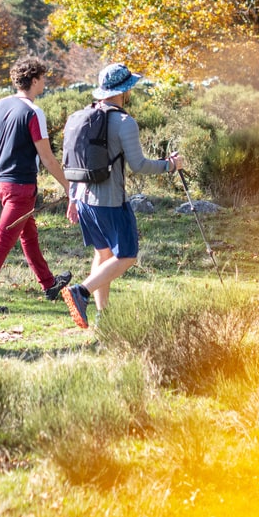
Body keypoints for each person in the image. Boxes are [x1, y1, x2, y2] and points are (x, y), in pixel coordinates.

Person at [60, 63, 181, 328]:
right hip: (110, 201)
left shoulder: (82, 116)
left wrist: (71, 198)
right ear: (124, 91)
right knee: (127, 255)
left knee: (103, 254)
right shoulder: (124, 122)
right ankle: (80, 292)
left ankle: (105, 317)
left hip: (82, 198)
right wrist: (170, 165)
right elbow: (139, 165)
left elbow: (70, 162)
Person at [0, 56, 72, 314]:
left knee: (28, 235)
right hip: (21, 186)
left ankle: (49, 285)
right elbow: (47, 157)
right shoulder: (34, 112)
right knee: (3, 241)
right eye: (43, 78)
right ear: (34, 80)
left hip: (0, 182)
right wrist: (69, 187)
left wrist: (7, 156)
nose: (45, 83)